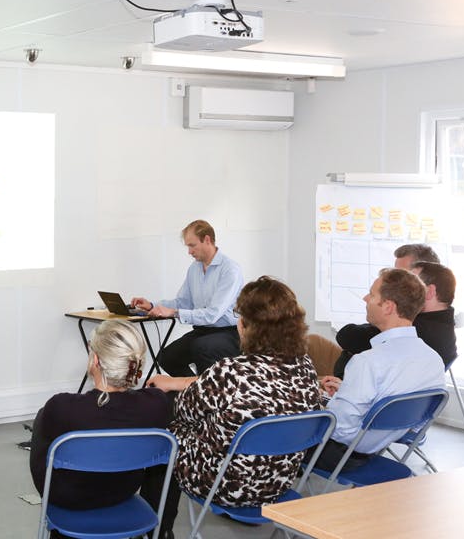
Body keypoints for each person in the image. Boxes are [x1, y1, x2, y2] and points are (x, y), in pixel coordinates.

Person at [146, 276, 320, 527]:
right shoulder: (305, 367)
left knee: (165, 426)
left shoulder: (230, 372)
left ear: (246, 326)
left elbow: (185, 411)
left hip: (223, 485)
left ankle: (158, 528)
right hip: (277, 483)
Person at [29, 320, 174, 538]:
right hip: (122, 491)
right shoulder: (157, 405)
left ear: (95, 360)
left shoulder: (61, 408)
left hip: (67, 498)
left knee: (43, 421)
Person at [316, 268, 446, 472]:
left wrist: (324, 406)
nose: (365, 298)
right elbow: (416, 424)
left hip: (345, 455)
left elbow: (340, 429)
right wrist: (348, 391)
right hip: (380, 447)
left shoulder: (368, 362)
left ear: (388, 307)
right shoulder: (433, 360)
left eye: (372, 294)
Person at [131, 219, 244, 377]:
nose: (189, 252)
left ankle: (206, 393)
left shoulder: (230, 270)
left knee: (201, 347)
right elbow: (183, 302)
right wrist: (151, 305)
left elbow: (212, 314)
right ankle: (193, 391)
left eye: (192, 245)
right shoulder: (194, 269)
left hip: (229, 333)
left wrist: (174, 312)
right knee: (167, 357)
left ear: (207, 240)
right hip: (203, 331)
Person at [333, 261, 457, 377]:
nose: (403, 287)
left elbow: (347, 337)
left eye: (412, 284)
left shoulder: (414, 331)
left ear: (429, 291)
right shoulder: (444, 330)